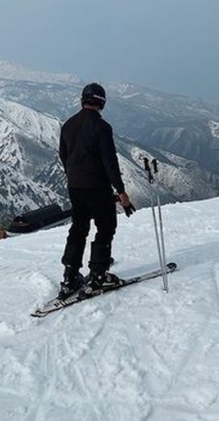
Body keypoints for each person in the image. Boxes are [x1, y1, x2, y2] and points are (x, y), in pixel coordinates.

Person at [58, 82, 136, 298]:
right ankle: (98, 275)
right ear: (102, 103)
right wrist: (121, 192)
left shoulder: (68, 125)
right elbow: (109, 162)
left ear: (83, 100)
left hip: (75, 187)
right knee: (106, 226)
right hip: (98, 188)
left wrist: (73, 175)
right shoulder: (102, 128)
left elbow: (63, 156)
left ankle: (70, 276)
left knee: (78, 229)